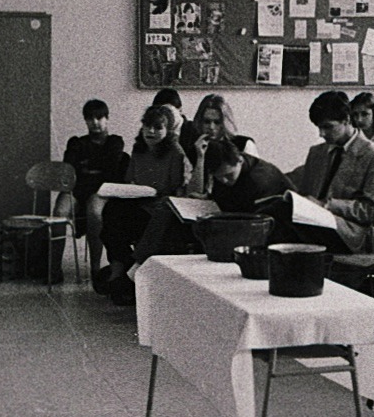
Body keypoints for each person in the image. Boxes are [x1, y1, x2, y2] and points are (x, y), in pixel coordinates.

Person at [128, 138, 292, 265]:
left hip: (264, 228)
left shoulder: (259, 180)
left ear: (240, 160)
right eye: (219, 178)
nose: (225, 181)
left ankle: (140, 268)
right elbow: (225, 198)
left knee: (173, 226)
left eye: (228, 175)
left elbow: (253, 219)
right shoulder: (229, 168)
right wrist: (205, 199)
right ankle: (146, 269)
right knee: (167, 209)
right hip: (234, 217)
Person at [264, 90, 374, 253]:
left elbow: (369, 211)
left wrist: (326, 205)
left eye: (328, 127)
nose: (321, 134)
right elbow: (305, 193)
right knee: (270, 214)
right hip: (312, 223)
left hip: (348, 232)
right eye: (319, 127)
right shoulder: (317, 153)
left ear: (347, 120)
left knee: (281, 216)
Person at [100, 105, 191, 304]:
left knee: (126, 220)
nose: (151, 132)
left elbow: (175, 186)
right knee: (111, 210)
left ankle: (126, 272)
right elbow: (130, 179)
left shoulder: (175, 152)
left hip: (158, 206)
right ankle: (119, 266)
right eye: (147, 127)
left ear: (167, 131)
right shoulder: (138, 149)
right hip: (138, 200)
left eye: (158, 128)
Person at [56, 98, 127, 284]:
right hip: (77, 190)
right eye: (90, 118)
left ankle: (95, 268)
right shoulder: (76, 143)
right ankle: (54, 268)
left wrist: (87, 168)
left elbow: (111, 169)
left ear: (107, 119)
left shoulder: (114, 142)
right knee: (59, 212)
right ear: (85, 121)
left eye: (99, 118)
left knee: (94, 212)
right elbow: (69, 169)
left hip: (101, 191)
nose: (95, 122)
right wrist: (92, 169)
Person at [179, 93, 255, 170]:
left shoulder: (244, 145)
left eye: (217, 122)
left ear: (225, 123)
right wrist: (200, 157)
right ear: (200, 122)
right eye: (207, 122)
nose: (211, 127)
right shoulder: (194, 149)